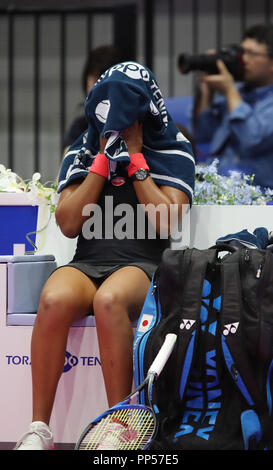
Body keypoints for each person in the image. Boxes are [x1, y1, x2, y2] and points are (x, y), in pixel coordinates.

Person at [15, 61, 195, 450]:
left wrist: (134, 159)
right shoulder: (82, 148)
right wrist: (101, 160)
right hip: (88, 258)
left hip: (144, 261)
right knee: (53, 297)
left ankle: (121, 426)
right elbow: (67, 222)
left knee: (108, 299)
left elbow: (166, 222)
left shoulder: (174, 147)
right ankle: (38, 429)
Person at [193, 24, 273, 189]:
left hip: (258, 198)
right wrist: (206, 90)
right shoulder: (237, 93)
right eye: (242, 51)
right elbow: (202, 134)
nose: (243, 59)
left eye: (251, 54)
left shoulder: (233, 94)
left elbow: (252, 139)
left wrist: (229, 91)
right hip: (216, 189)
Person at [63, 45, 126, 151]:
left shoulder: (131, 127)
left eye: (103, 80)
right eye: (94, 78)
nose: (97, 87)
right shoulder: (80, 127)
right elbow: (67, 161)